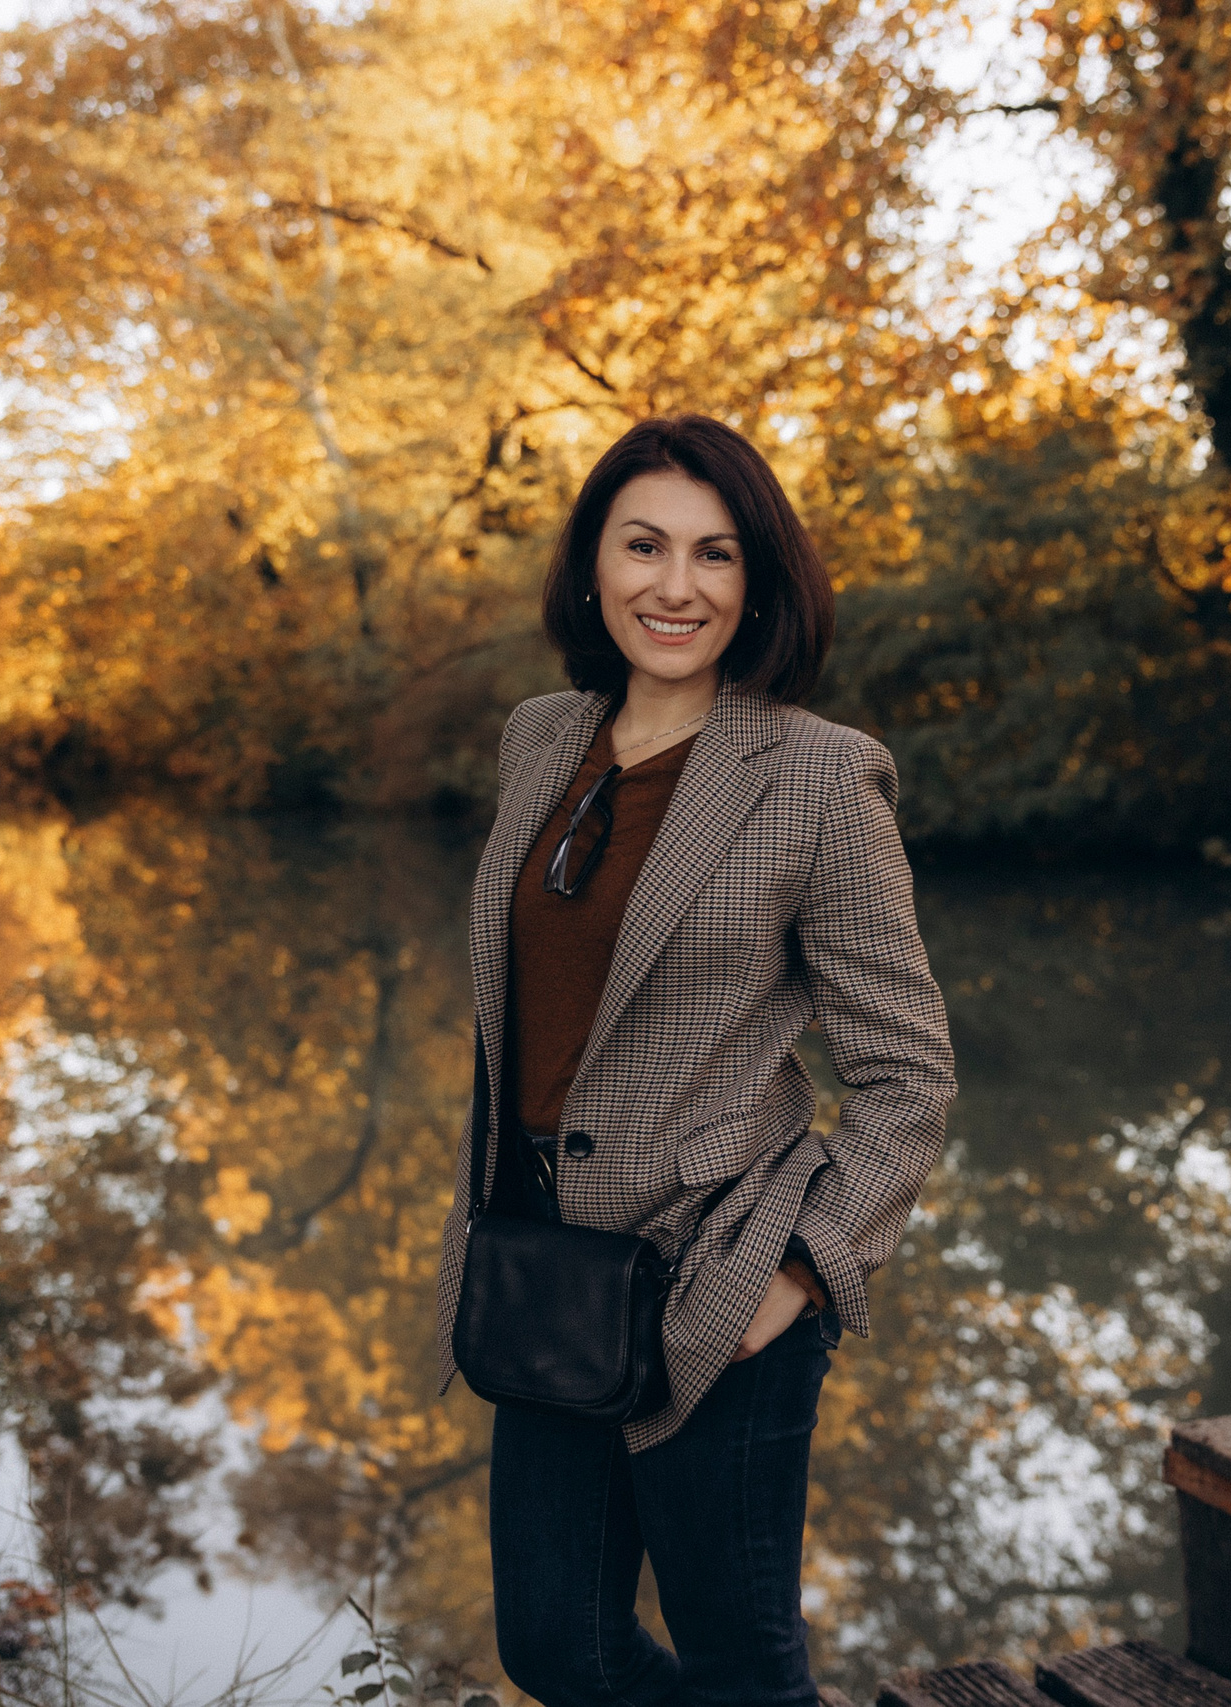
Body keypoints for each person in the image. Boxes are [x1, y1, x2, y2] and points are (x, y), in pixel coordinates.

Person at [431, 415, 956, 1705]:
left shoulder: (822, 780)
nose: (676, 586)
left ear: (756, 582)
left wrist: (802, 1271)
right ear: (593, 564)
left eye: (714, 555)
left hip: (721, 1277)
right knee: (557, 1646)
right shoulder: (540, 740)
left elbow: (909, 1077)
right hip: (544, 1264)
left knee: (742, 1661)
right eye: (645, 545)